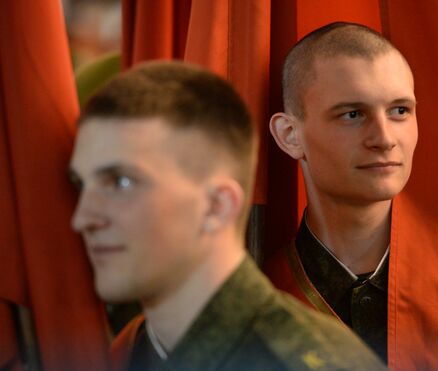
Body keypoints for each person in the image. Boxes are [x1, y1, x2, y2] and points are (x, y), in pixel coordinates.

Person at [69, 61, 384, 371]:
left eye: (121, 182)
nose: (83, 218)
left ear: (216, 206)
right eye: (82, 185)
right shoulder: (127, 353)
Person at [267, 22, 417, 363]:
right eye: (352, 114)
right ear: (290, 134)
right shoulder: (257, 305)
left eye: (400, 111)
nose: (385, 138)